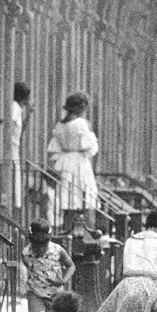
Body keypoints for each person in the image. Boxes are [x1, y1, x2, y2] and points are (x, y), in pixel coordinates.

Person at [48, 93, 98, 227]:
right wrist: (90, 132)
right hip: (78, 161)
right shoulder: (81, 123)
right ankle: (79, 228)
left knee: (67, 197)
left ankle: (67, 226)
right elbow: (89, 146)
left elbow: (55, 147)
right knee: (81, 196)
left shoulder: (60, 125)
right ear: (82, 108)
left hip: (64, 161)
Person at [6, 82, 31, 214]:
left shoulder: (19, 110)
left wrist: (28, 115)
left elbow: (20, 133)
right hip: (11, 149)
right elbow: (11, 128)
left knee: (16, 185)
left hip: (15, 149)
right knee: (13, 183)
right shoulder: (15, 108)